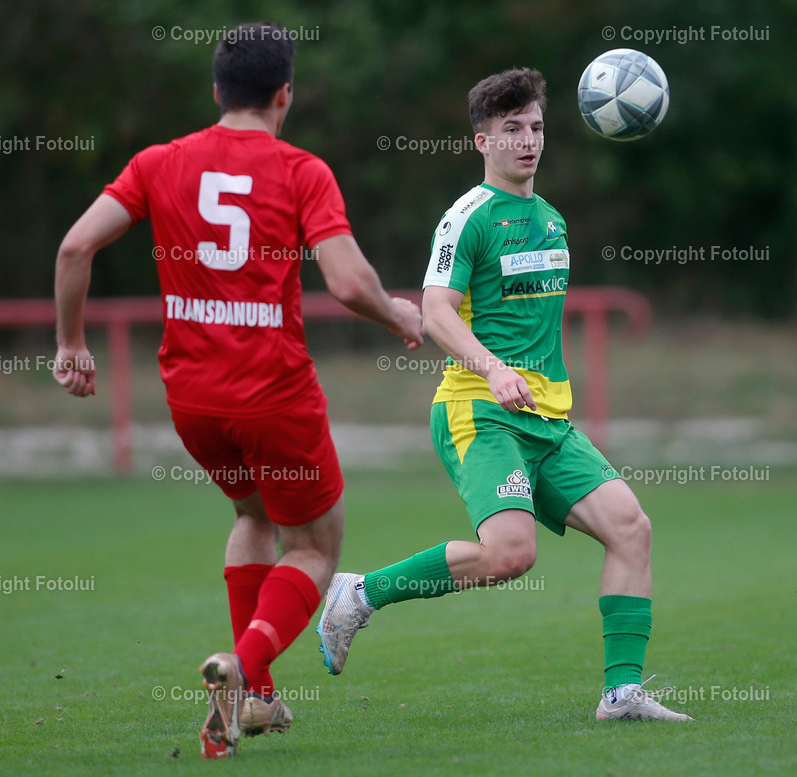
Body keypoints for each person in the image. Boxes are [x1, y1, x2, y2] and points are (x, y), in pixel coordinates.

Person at [52, 21, 424, 758]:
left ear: (216, 91)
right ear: (285, 94)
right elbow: (348, 282)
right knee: (316, 544)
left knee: (252, 515)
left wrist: (69, 345)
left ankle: (257, 700)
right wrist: (397, 315)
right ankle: (243, 674)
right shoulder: (300, 170)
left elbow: (75, 245)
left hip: (192, 398)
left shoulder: (160, 162)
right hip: (274, 395)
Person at [317, 67, 692, 722]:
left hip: (546, 420)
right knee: (512, 554)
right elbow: (436, 311)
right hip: (479, 409)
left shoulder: (551, 220)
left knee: (632, 528)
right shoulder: (468, 218)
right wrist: (492, 369)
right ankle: (359, 592)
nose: (528, 141)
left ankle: (621, 693)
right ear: (482, 141)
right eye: (512, 129)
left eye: (537, 127)